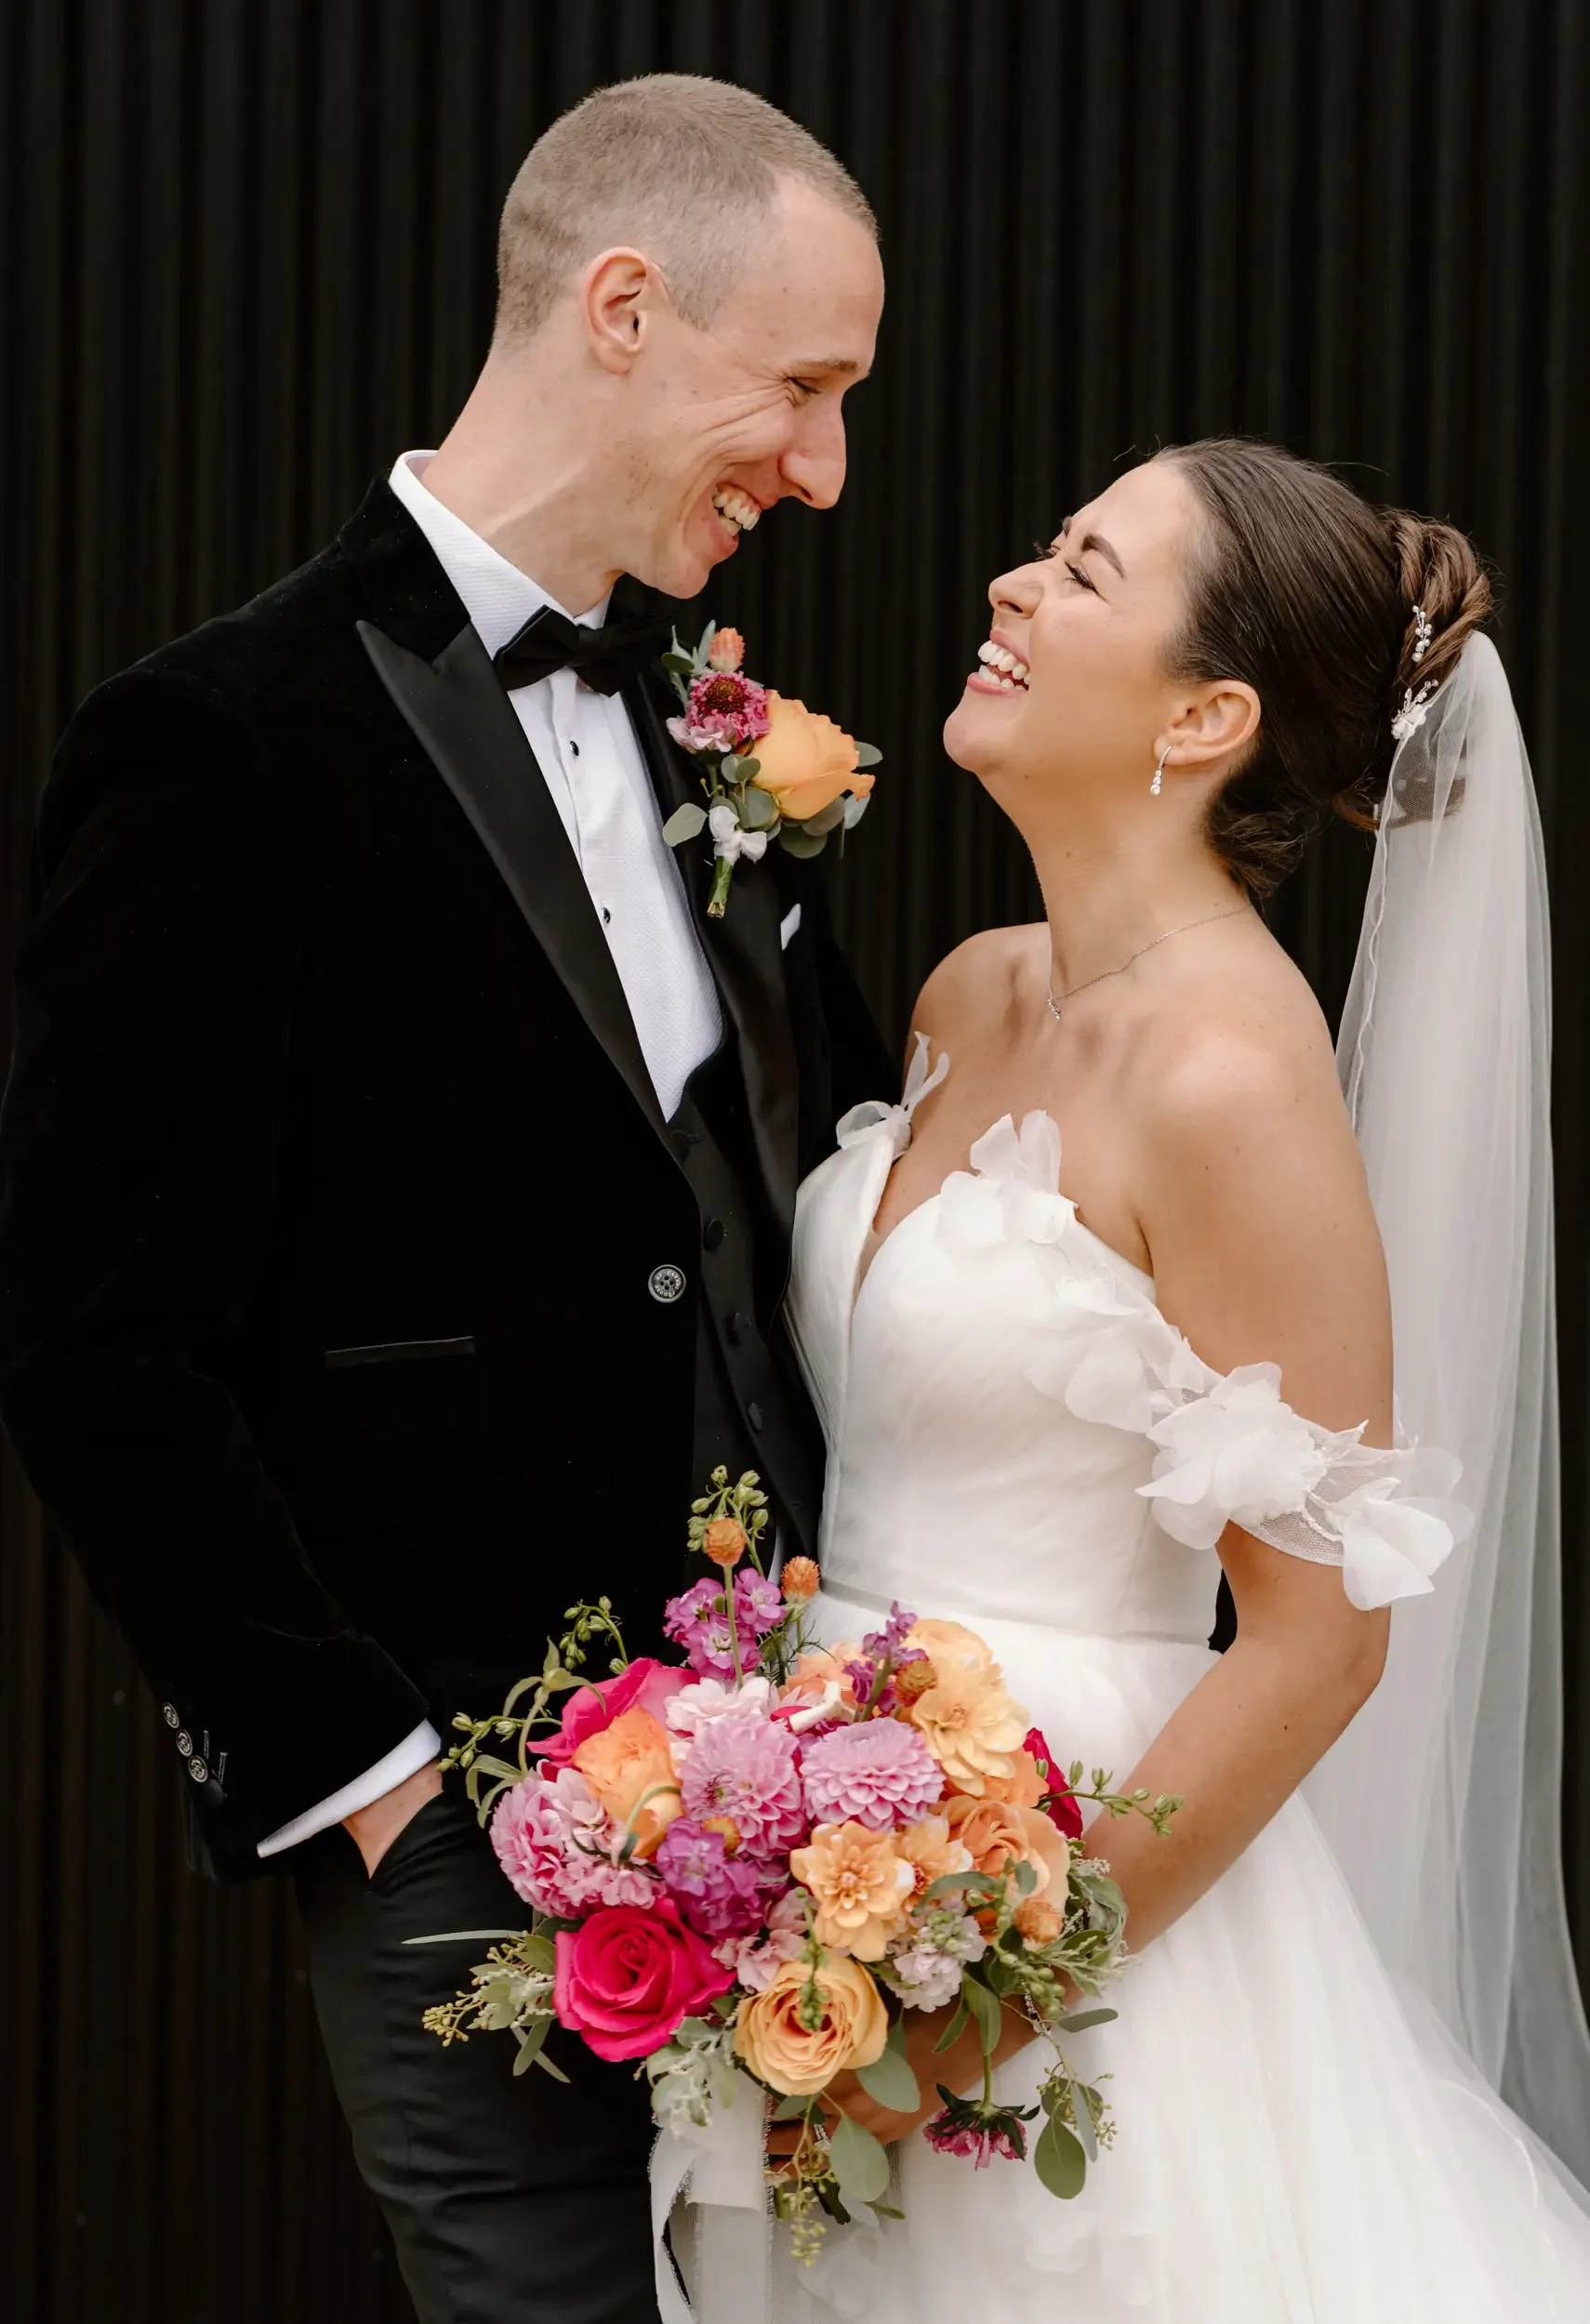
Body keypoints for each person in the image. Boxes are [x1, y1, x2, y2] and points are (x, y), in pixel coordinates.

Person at [0, 73, 890, 2324]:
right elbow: (100, 1344)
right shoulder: (217, 739)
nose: (823, 468)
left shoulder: (718, 727)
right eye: (802, 387)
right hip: (468, 1830)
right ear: (621, 306)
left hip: (824, 1832)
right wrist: (376, 1784)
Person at [682, 439, 1590, 2319]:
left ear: (1207, 715)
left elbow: (1321, 1636)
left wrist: (1005, 1989)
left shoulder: (1231, 1080)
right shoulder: (971, 989)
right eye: (1042, 550)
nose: (1012, 586)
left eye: (1084, 571)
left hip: (1068, 1900)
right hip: (817, 1849)